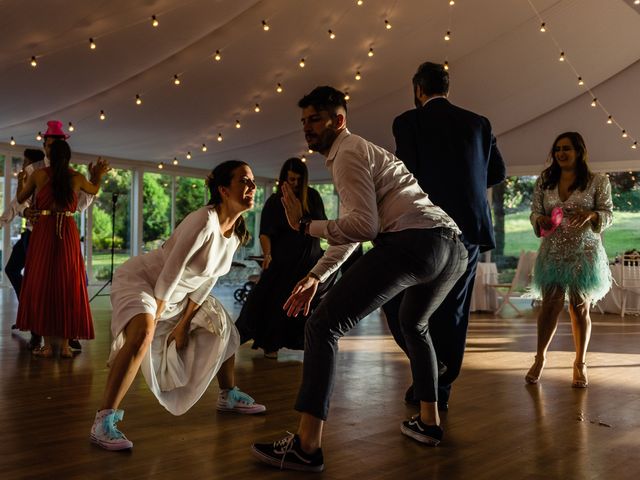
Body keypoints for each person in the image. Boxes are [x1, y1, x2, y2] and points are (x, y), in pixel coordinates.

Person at [251, 86, 467, 472]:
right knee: (414, 325)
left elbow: (364, 228)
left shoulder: (347, 153)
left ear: (339, 120)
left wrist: (304, 225)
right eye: (304, 122)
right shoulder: (359, 152)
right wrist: (318, 273)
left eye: (315, 120)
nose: (307, 129)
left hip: (414, 242)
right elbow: (356, 228)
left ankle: (306, 445)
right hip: (451, 248)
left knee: (322, 324)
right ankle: (430, 422)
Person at [90, 160, 266, 452]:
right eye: (243, 181)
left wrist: (183, 324)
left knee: (222, 324)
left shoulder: (235, 235)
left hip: (176, 296)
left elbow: (206, 282)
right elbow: (171, 270)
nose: (251, 187)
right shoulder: (203, 220)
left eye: (252, 182)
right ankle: (103, 421)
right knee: (143, 333)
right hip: (144, 281)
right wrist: (156, 317)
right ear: (223, 190)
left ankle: (227, 394)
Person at [383, 61, 506, 410]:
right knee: (452, 311)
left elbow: (405, 176)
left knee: (400, 301)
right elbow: (497, 171)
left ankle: (429, 379)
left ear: (418, 90)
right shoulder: (478, 123)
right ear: (446, 88)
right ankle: (438, 384)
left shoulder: (408, 122)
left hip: (423, 228)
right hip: (467, 231)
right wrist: (464, 182)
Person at [3, 120, 101, 351]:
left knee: (57, 282)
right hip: (52, 230)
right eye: (47, 142)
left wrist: (21, 192)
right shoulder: (58, 173)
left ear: (53, 147)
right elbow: (21, 204)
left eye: (49, 143)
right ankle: (47, 337)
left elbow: (20, 197)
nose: (47, 146)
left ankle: (58, 339)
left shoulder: (41, 174)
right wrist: (96, 175)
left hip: (49, 229)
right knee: (48, 282)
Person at [525, 132, 612, 388]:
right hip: (552, 250)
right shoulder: (545, 180)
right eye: (558, 149)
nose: (561, 153)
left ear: (579, 151)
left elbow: (608, 213)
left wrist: (593, 215)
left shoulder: (598, 181)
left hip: (583, 251)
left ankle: (580, 363)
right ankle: (540, 358)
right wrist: (539, 219)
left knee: (579, 307)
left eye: (567, 149)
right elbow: (535, 211)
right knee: (549, 306)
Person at [236, 157, 334, 359]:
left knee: (305, 307)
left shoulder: (313, 197)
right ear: (283, 179)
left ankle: (307, 344)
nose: (295, 184)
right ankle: (269, 344)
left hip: (308, 263)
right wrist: (268, 253)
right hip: (283, 262)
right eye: (291, 179)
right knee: (269, 302)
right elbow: (265, 233)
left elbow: (323, 225)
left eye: (298, 180)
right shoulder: (275, 201)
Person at [2, 148, 46, 348]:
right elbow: (19, 203)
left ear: (30, 161)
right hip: (29, 232)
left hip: (38, 235)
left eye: (25, 160)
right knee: (12, 269)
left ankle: (36, 330)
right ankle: (26, 314)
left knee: (33, 280)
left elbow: (18, 202)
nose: (22, 164)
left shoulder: (34, 173)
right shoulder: (32, 174)